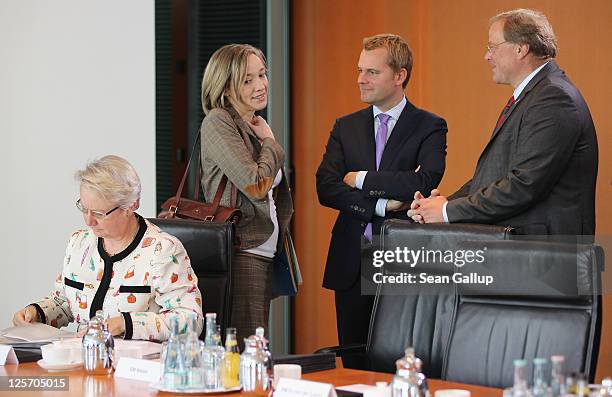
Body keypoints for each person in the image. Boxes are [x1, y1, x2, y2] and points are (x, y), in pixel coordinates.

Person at [408, 9, 598, 236]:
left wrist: (448, 211)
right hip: (524, 252)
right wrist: (440, 205)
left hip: (544, 256)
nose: (487, 56)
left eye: (492, 47)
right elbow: (497, 175)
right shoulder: (537, 94)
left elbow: (524, 185)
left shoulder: (554, 98)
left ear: (521, 48)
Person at [316, 34, 447, 359]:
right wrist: (379, 203)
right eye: (360, 70)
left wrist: (359, 178)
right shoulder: (345, 127)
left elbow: (424, 180)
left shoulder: (430, 126)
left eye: (372, 72)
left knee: (402, 359)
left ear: (400, 75)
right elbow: (326, 186)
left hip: (403, 258)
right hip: (351, 261)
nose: (361, 79)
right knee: (354, 359)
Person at [12, 155, 203, 341]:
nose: (89, 220)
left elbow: (190, 320)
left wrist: (125, 324)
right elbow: (65, 303)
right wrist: (37, 313)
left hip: (137, 367)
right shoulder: (78, 243)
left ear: (130, 206)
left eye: (99, 213)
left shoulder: (163, 250)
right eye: (84, 208)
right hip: (85, 361)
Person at [200, 44, 293, 344]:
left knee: (252, 348)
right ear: (226, 88)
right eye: (247, 80)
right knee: (247, 352)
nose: (260, 85)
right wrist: (270, 142)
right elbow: (256, 184)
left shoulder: (250, 126)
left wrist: (264, 138)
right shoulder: (218, 121)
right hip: (243, 252)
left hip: (262, 251)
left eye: (262, 75)